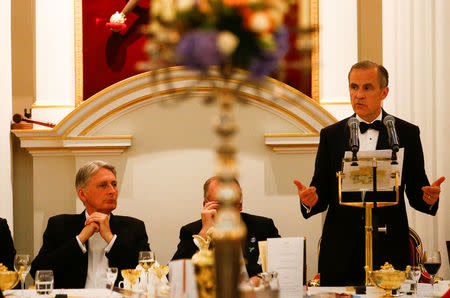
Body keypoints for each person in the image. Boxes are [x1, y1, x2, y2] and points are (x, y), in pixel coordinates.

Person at [294, 61, 445, 286]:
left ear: (384, 92)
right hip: (340, 249)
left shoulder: (407, 133)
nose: (359, 95)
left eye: (367, 88)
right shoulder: (331, 135)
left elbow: (416, 192)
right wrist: (310, 201)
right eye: (354, 87)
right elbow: (321, 192)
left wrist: (429, 198)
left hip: (389, 248)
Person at [31, 160, 151, 289]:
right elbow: (38, 272)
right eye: (103, 185)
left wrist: (111, 239)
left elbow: (147, 274)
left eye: (114, 184)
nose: (112, 191)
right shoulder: (59, 225)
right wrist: (79, 239)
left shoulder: (134, 227)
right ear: (83, 194)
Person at [172, 176, 280, 278]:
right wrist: (203, 235)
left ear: (240, 205)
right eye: (220, 205)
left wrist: (261, 277)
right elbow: (172, 277)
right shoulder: (191, 231)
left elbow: (283, 265)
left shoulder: (263, 227)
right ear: (206, 205)